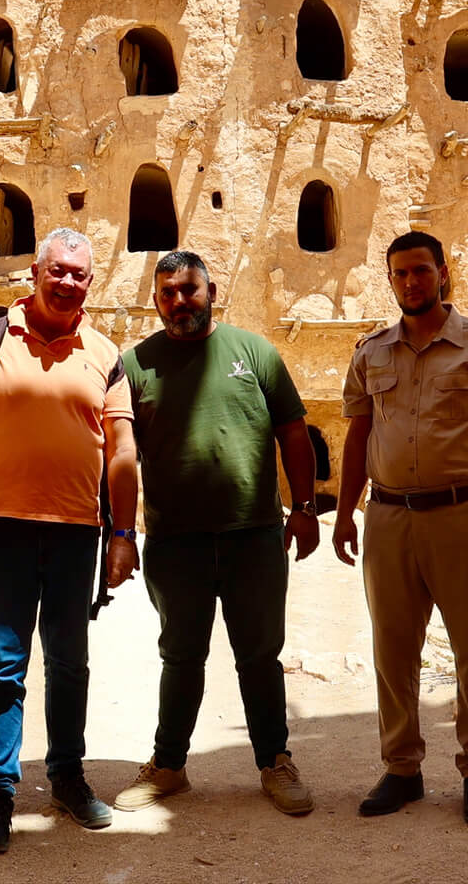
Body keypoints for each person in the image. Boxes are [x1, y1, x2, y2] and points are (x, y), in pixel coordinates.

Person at [0, 228, 139, 855]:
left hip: (75, 533)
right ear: (35, 272)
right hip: (0, 528)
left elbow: (122, 452)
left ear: (91, 281)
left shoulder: (105, 353)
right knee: (3, 665)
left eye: (79, 275)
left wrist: (122, 534)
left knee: (69, 663)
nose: (67, 283)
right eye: (57, 271)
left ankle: (67, 778)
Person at [334, 231, 468, 827]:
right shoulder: (371, 352)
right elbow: (357, 434)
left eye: (422, 271)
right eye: (400, 274)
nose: (411, 283)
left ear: (444, 273)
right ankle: (402, 768)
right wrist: (346, 510)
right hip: (389, 517)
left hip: (465, 514)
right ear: (390, 279)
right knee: (393, 651)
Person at [113, 251, 320, 816]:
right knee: (181, 656)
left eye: (190, 290)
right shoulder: (135, 365)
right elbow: (120, 454)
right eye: (168, 294)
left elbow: (294, 433)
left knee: (259, 656)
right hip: (175, 542)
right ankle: (168, 766)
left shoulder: (254, 353)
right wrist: (122, 533)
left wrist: (304, 507)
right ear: (156, 301)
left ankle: (275, 761)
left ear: (211, 290)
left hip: (253, 535)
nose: (180, 301)